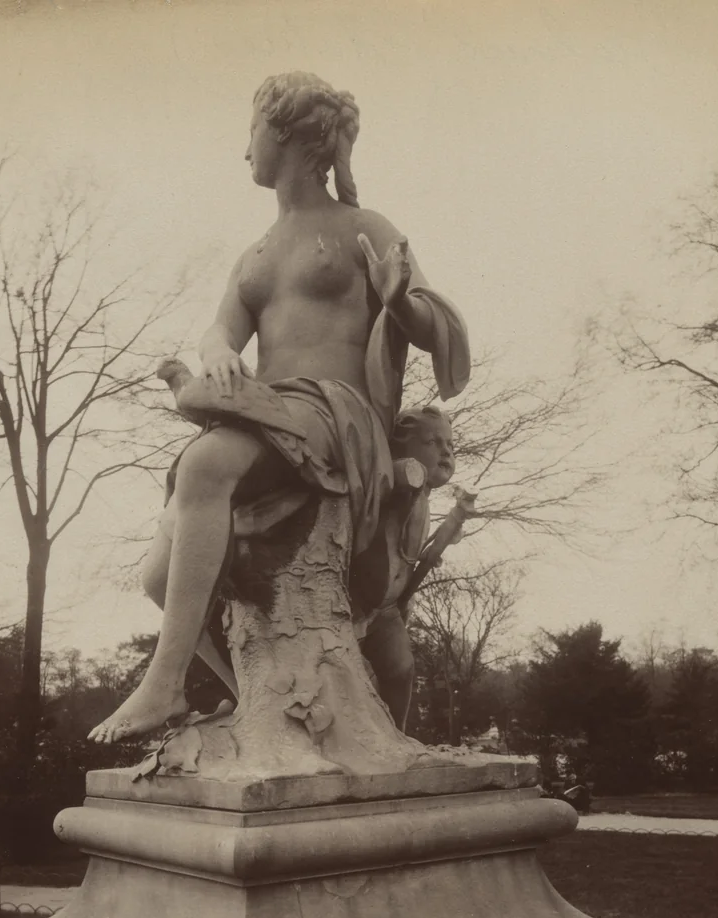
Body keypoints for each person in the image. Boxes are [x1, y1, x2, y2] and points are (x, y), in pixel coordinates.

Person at [90, 71, 469, 744]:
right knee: (155, 574)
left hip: (338, 414)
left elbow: (438, 327)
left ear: (288, 136)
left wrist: (400, 300)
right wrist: (217, 356)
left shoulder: (363, 226)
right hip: (272, 410)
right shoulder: (254, 256)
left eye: (250, 133)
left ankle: (163, 684)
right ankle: (258, 700)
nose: (245, 152)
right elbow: (220, 331)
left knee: (206, 464)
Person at [355, 406, 456, 729]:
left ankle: (394, 737)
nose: (445, 452)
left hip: (387, 609)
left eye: (450, 445)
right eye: (433, 442)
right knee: (344, 677)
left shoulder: (425, 497)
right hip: (354, 604)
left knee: (401, 669)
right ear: (402, 446)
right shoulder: (400, 478)